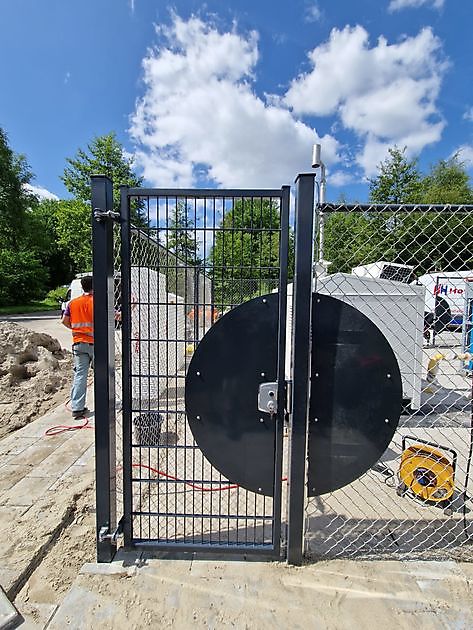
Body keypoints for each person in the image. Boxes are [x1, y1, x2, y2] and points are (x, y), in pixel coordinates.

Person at [61, 276, 94, 418]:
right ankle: (106, 404)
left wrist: (77, 331)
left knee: (80, 375)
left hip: (79, 343)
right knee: (103, 374)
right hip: (96, 343)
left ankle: (77, 408)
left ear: (82, 287)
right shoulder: (98, 302)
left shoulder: (72, 303)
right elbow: (116, 317)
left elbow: (64, 321)